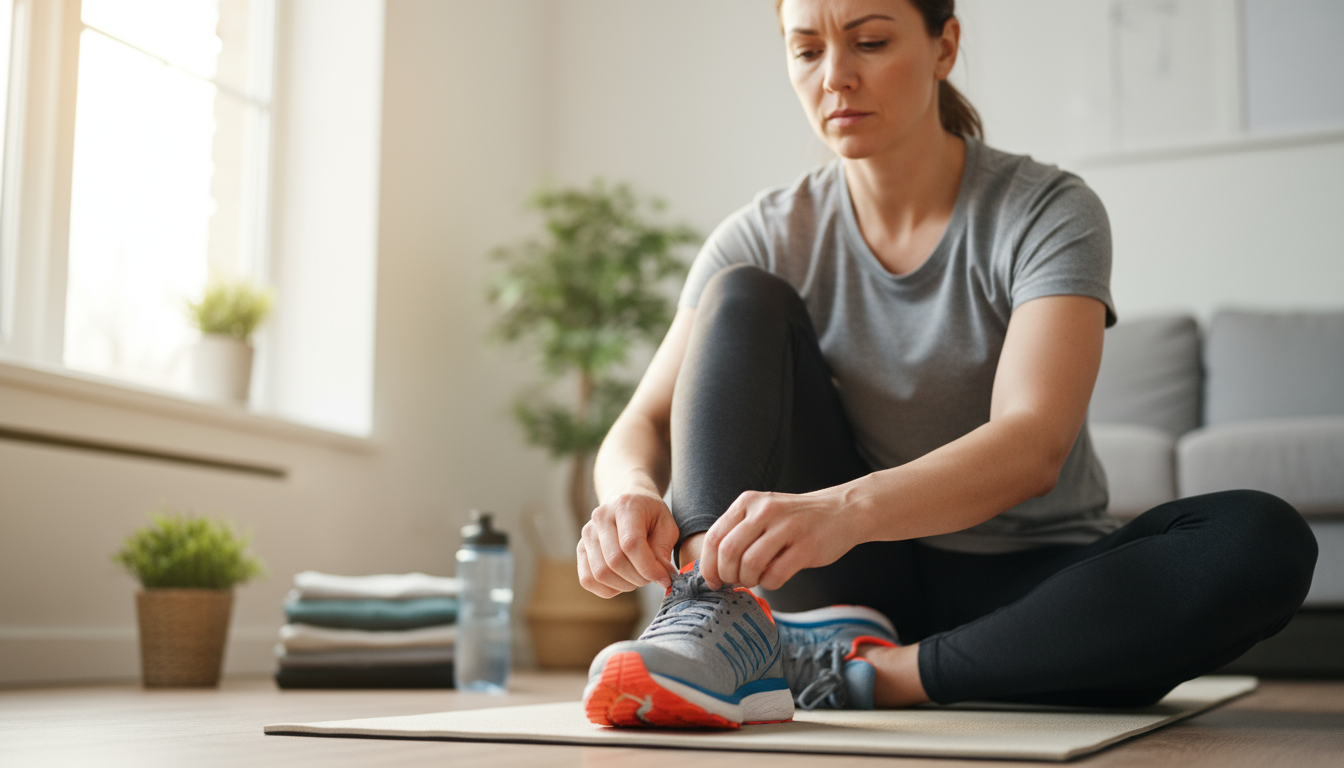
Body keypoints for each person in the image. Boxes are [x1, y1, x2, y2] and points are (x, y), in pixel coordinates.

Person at [576, 0, 1317, 728]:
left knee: (1263, 539)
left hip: (1023, 580)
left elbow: (1034, 444)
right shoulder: (765, 233)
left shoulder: (1045, 210)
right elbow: (639, 424)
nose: (835, 76)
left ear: (944, 46)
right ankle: (707, 613)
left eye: (869, 41)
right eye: (806, 50)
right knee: (739, 294)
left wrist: (842, 510)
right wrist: (631, 495)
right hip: (850, 583)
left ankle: (876, 675)